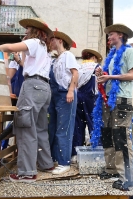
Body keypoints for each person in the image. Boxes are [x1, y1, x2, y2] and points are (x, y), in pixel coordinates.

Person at [0, 17, 55, 182]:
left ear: (35, 32)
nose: (25, 31)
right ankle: (46, 164)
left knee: (25, 129)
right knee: (39, 129)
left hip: (32, 86)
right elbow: (27, 66)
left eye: (28, 29)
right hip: (45, 88)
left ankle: (27, 172)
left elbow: (10, 47)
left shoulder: (34, 42)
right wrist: (20, 57)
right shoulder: (44, 49)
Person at [92, 23, 133, 191]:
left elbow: (132, 75)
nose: (109, 37)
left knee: (121, 138)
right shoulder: (111, 55)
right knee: (107, 135)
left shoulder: (129, 51)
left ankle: (128, 177)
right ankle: (112, 169)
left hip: (122, 100)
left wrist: (109, 76)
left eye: (111, 34)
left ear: (120, 35)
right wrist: (102, 75)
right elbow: (109, 77)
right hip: (108, 100)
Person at [48, 30, 79, 174]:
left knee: (64, 128)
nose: (50, 42)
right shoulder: (56, 59)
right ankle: (56, 158)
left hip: (65, 93)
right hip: (55, 95)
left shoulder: (68, 55)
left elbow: (75, 73)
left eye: (52, 39)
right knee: (54, 127)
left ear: (60, 40)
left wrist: (71, 90)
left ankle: (64, 162)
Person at [71, 49, 102, 163]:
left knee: (78, 126)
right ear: (93, 57)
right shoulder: (96, 67)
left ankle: (75, 154)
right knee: (93, 124)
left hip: (78, 97)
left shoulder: (78, 67)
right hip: (91, 97)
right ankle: (97, 152)